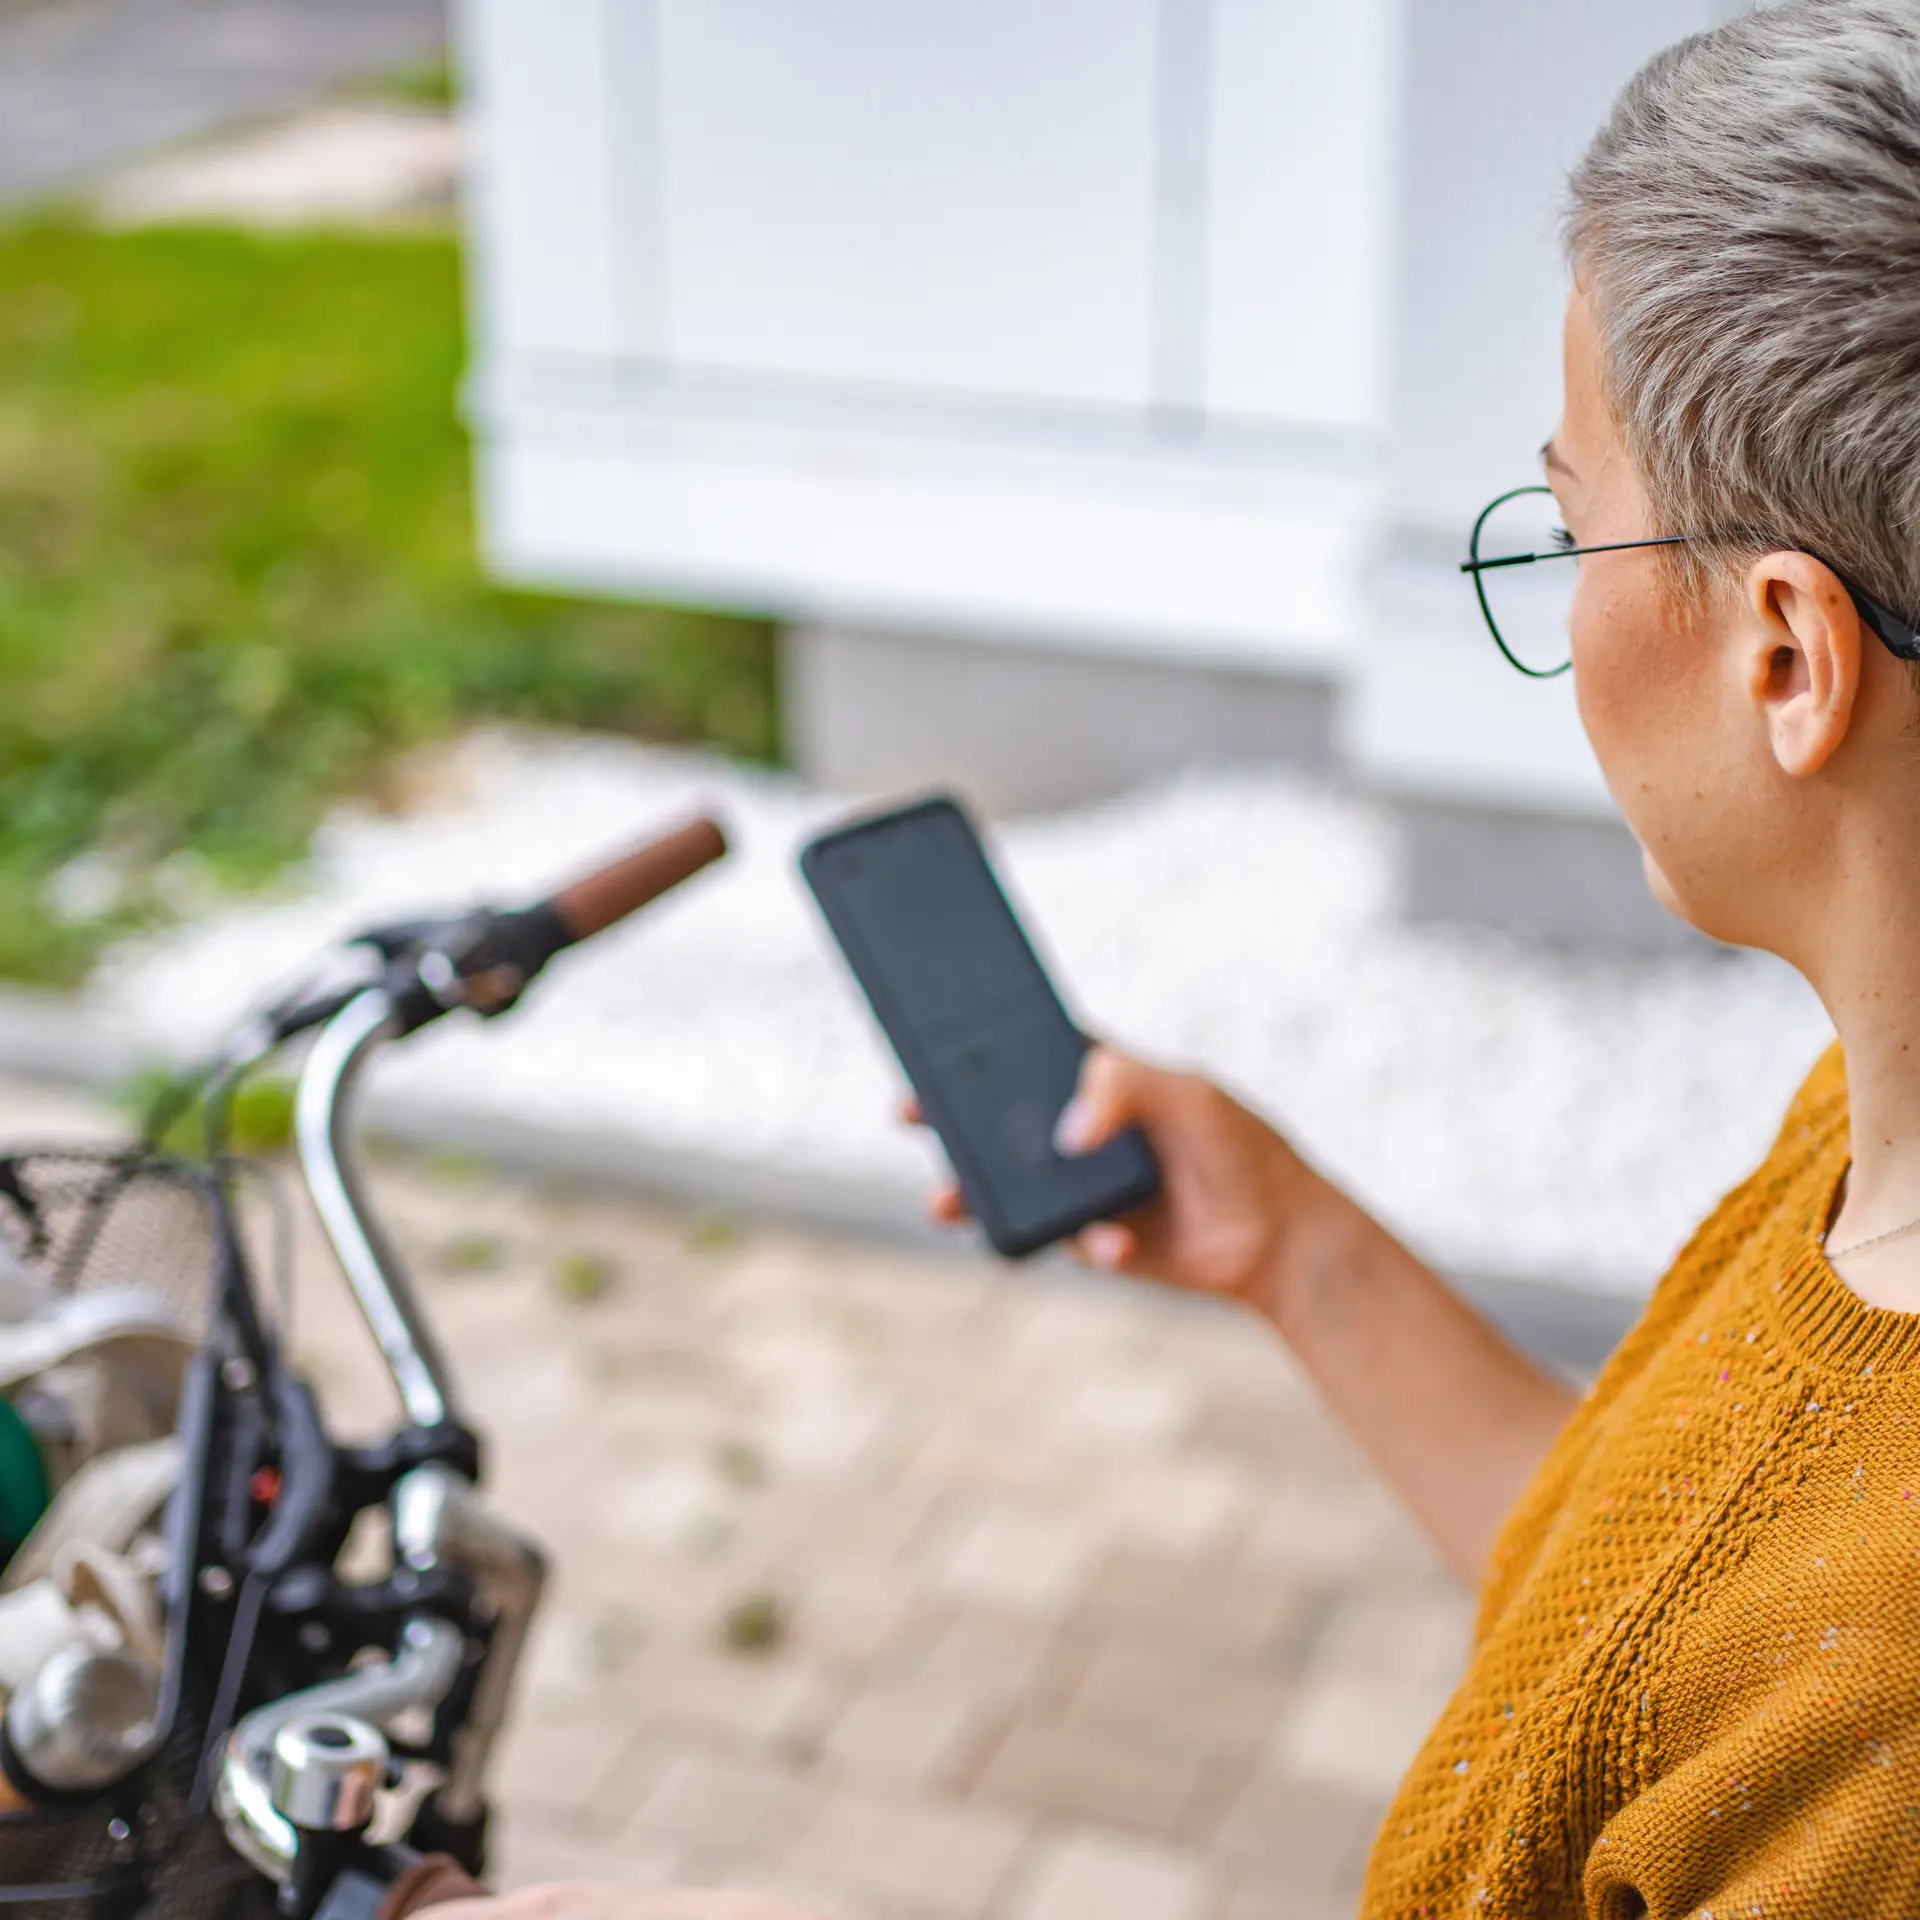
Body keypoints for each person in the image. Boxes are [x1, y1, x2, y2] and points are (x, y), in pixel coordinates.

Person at [442, 3, 1920, 1915]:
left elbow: (1793, 1670)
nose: (1558, 609)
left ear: (1786, 658)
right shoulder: (1868, 1122)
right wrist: (1294, 1247)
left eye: (1571, 533)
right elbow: (1652, 1654)